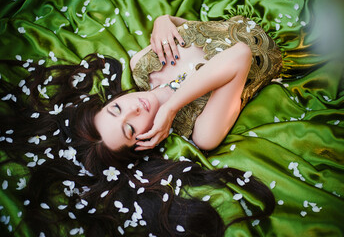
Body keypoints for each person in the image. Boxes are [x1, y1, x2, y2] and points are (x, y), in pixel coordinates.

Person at [0, 14, 281, 236]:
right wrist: (171, 107)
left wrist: (165, 21)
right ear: (144, 140)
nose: (133, 108)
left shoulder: (141, 64)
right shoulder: (204, 132)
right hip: (284, 35)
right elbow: (241, 53)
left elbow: (203, 28)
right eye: (130, 128)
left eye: (117, 108)